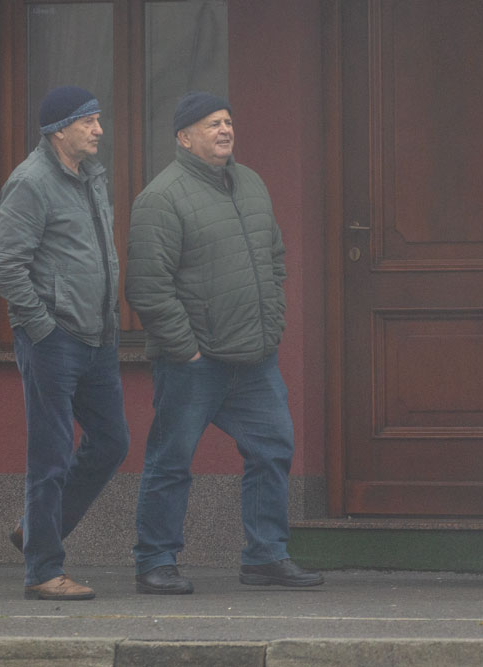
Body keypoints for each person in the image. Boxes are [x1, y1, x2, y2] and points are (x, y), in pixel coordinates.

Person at [125, 91, 323, 594]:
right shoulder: (161, 197)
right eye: (212, 123)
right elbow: (147, 287)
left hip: (254, 357)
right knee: (171, 460)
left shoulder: (251, 182)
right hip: (193, 363)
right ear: (184, 137)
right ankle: (155, 561)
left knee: (273, 448)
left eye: (228, 121)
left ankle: (265, 557)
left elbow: (274, 256)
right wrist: (187, 350)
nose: (225, 130)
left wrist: (272, 322)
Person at [0, 86, 130, 600]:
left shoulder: (91, 176)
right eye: (88, 121)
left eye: (98, 119)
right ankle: (43, 571)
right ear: (58, 130)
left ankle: (34, 531)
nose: (98, 129)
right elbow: (7, 267)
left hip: (98, 336)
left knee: (112, 442)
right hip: (54, 339)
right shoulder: (30, 183)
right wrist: (42, 327)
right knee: (50, 455)